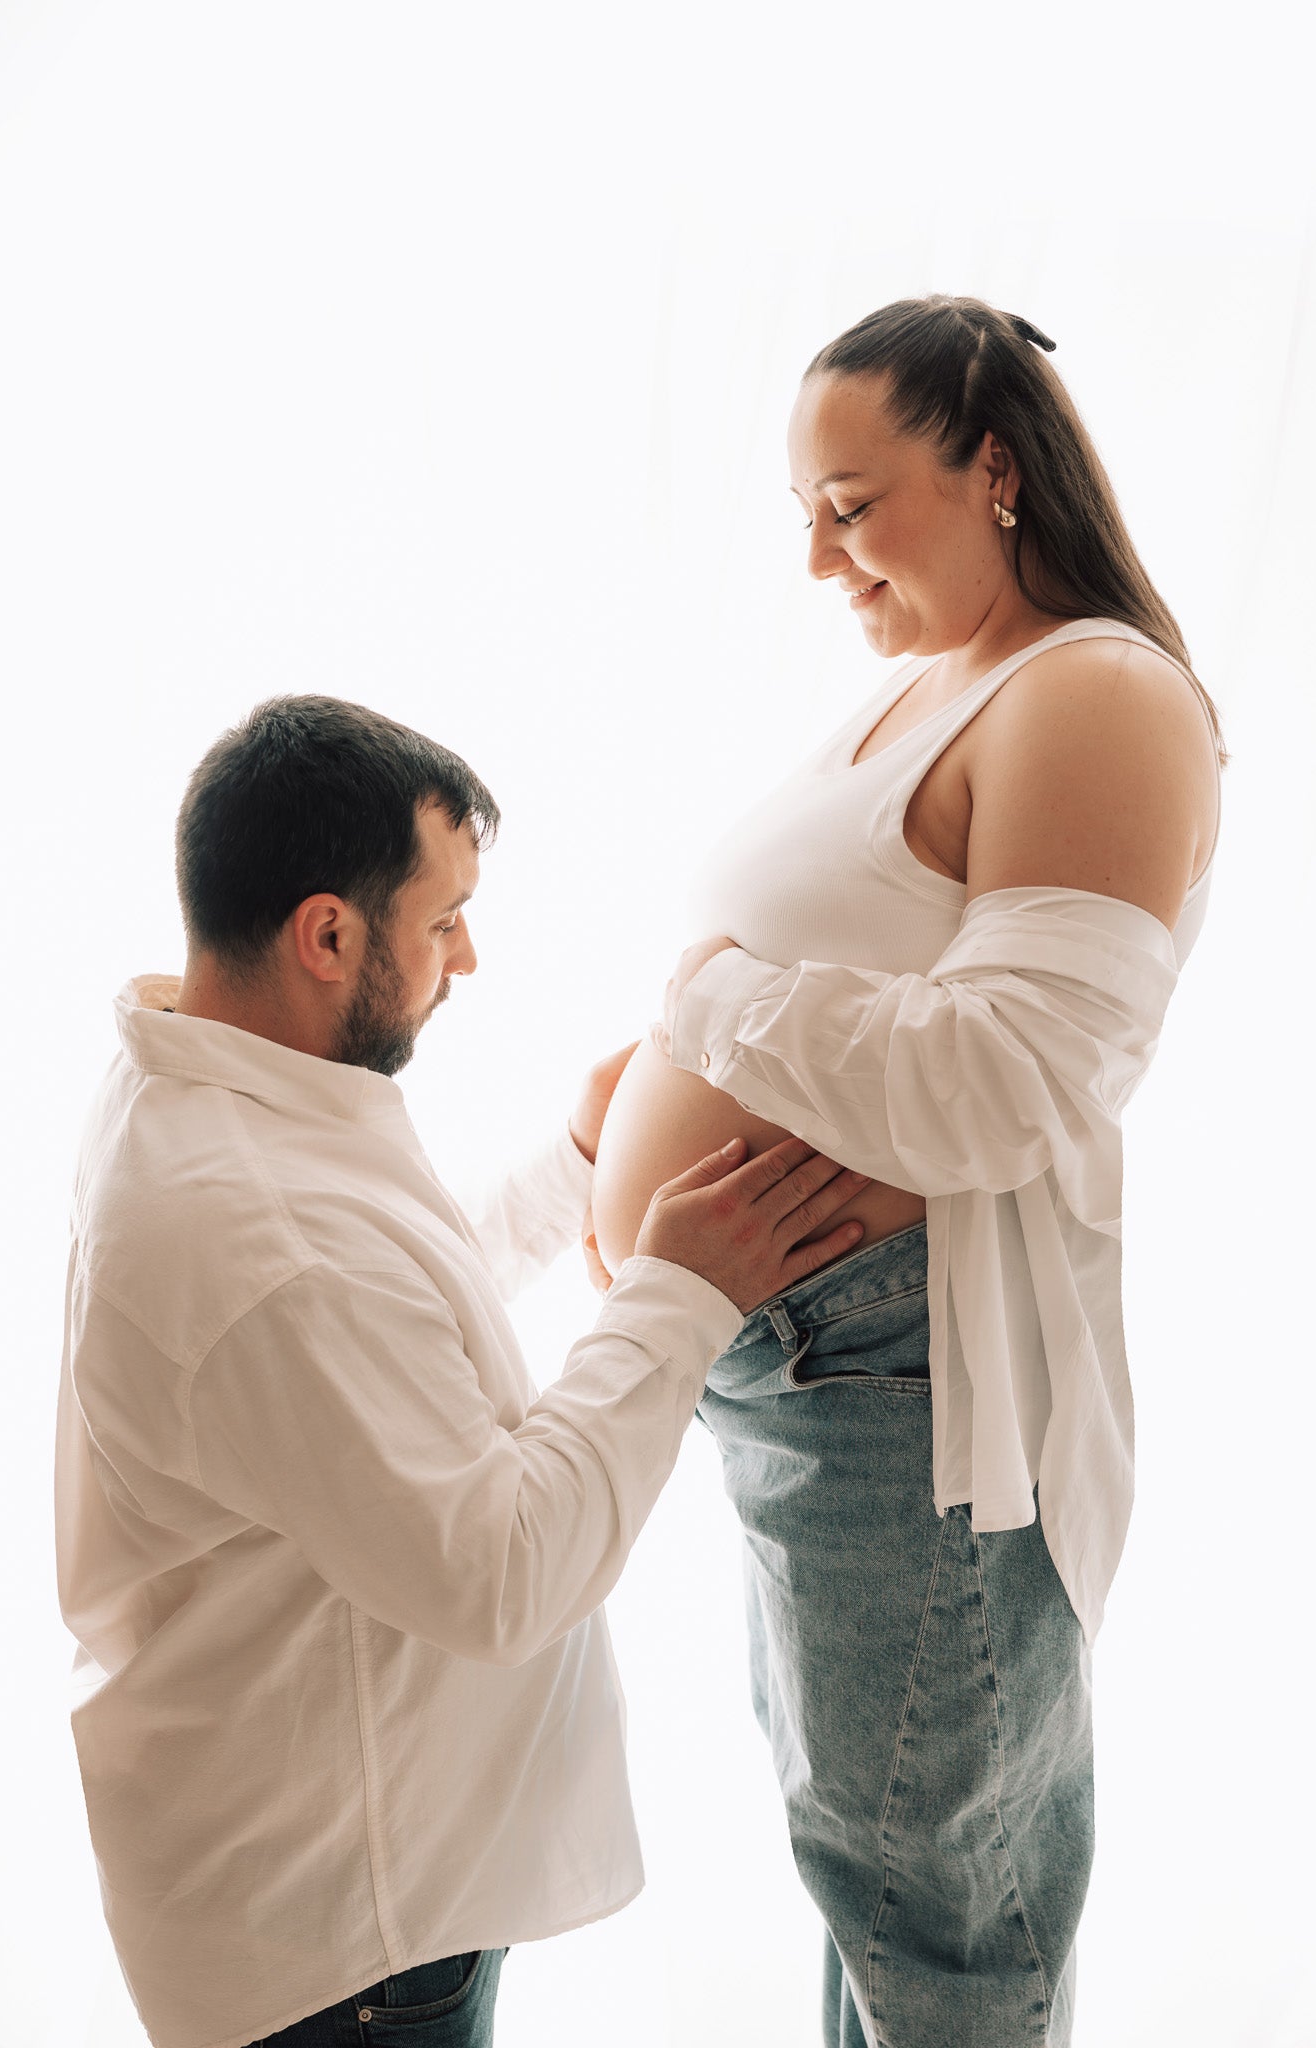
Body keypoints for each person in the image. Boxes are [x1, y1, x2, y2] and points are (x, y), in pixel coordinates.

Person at [588, 294, 1224, 2047]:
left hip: (897, 1379)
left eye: (851, 507)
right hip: (809, 1374)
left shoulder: (1095, 693)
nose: (818, 558)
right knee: (875, 1890)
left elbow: (1011, 1084)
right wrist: (635, 1089)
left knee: (937, 1929)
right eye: (804, 513)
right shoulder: (926, 690)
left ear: (994, 471)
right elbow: (843, 997)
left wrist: (702, 1008)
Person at [54, 695, 871, 2048]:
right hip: (341, 1949)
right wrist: (679, 1297)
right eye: (444, 922)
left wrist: (571, 1166)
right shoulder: (255, 1235)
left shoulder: (201, 1082)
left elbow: (378, 1340)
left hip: (330, 1887)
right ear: (327, 934)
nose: (469, 957)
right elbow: (503, 1571)